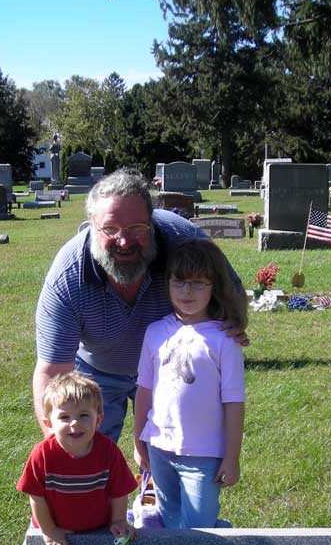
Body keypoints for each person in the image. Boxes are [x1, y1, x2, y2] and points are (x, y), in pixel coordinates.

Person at [33, 167, 247, 443]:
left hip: (170, 365)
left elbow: (230, 287)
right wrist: (57, 446)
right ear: (91, 224)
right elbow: (52, 372)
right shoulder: (68, 276)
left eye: (137, 228)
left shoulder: (183, 244)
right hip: (98, 371)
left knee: (175, 450)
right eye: (110, 229)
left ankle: (158, 484)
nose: (124, 241)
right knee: (85, 455)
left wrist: (231, 321)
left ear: (153, 222)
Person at [0, 371, 137, 545]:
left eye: (84, 415)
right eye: (64, 417)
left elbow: (119, 490)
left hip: (97, 526)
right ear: (48, 421)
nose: (75, 424)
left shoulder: (108, 451)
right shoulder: (43, 454)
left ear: (99, 419)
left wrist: (119, 520)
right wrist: (49, 532)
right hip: (53, 526)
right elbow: (36, 497)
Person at [133, 239, 247, 528]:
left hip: (203, 454)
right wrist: (138, 442)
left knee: (200, 528)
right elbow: (144, 391)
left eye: (198, 283)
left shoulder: (225, 339)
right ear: (167, 284)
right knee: (170, 523)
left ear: (214, 287)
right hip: (159, 447)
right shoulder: (156, 332)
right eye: (179, 282)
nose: (187, 291)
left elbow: (233, 403)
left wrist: (232, 457)